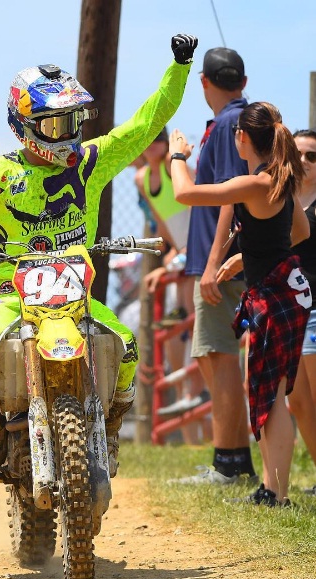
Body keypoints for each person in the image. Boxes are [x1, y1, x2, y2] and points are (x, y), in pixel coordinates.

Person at [0, 34, 199, 492]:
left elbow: (148, 122)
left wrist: (180, 66)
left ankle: (108, 430)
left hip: (76, 295)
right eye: (53, 124)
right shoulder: (0, 176)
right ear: (23, 125)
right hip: (16, 295)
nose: (67, 134)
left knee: (127, 344)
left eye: (72, 120)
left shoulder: (91, 161)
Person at [169, 101, 311, 506]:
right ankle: (271, 488)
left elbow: (184, 193)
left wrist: (179, 154)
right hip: (286, 291)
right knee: (267, 390)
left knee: (271, 394)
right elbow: (298, 233)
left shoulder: (256, 184)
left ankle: (276, 494)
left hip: (275, 296)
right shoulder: (278, 182)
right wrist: (246, 258)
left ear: (242, 138)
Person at [172, 47, 258, 484]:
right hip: (229, 260)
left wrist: (210, 264)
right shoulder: (237, 120)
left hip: (221, 266)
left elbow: (229, 195)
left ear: (204, 82)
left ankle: (230, 464)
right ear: (242, 81)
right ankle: (232, 460)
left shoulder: (227, 123)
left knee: (217, 357)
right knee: (217, 358)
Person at [134, 128, 206, 428]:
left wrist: (180, 257)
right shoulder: (141, 179)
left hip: (198, 245)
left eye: (158, 139)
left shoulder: (170, 167)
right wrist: (173, 255)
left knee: (194, 319)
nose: (152, 146)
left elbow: (197, 207)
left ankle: (198, 390)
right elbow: (163, 222)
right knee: (177, 326)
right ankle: (184, 391)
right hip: (182, 249)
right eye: (147, 140)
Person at [287, 129, 316, 495]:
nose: (306, 162)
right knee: (297, 400)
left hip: (315, 310)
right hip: (288, 310)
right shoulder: (279, 199)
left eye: (313, 156)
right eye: (300, 154)